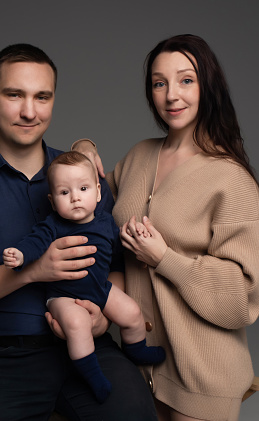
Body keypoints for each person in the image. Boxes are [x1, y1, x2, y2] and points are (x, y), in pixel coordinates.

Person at [0, 43, 158, 421]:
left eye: (41, 96)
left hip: (91, 345)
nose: (29, 111)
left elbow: (116, 264)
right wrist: (32, 272)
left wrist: (100, 313)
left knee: (134, 412)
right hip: (5, 360)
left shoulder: (82, 179)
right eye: (14, 94)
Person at [74, 34, 259, 421]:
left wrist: (164, 259)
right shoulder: (140, 154)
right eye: (160, 83)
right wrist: (83, 148)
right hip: (137, 371)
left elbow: (243, 297)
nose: (171, 95)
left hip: (203, 378)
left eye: (186, 80)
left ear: (208, 86)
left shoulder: (232, 180)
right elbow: (83, 206)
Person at [3, 150, 165, 403]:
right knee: (78, 326)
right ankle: (91, 373)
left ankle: (137, 350)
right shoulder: (52, 225)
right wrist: (21, 255)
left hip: (100, 288)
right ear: (53, 200)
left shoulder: (105, 222)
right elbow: (35, 242)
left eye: (84, 189)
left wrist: (137, 245)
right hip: (62, 297)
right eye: (64, 193)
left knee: (132, 313)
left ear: (99, 192)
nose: (75, 198)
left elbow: (117, 250)